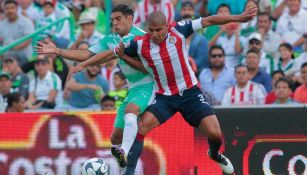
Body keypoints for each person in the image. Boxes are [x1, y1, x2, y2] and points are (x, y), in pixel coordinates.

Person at [74, 8, 258, 174]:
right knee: (141, 127)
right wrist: (84, 63)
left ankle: (215, 154)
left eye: (158, 30)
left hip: (190, 93)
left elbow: (209, 20)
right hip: (165, 97)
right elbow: (110, 53)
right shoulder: (140, 44)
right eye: (151, 30)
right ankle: (128, 172)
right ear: (147, 28)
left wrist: (239, 17)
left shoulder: (179, 29)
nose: (154, 34)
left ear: (166, 26)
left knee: (215, 134)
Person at [36, 5, 155, 174]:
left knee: (131, 113)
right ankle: (122, 168)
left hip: (150, 85)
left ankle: (126, 156)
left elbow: (149, 67)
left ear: (130, 18)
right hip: (133, 88)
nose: (114, 23)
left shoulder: (143, 38)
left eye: (118, 19)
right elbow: (87, 54)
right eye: (112, 20)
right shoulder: (111, 39)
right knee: (115, 137)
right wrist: (57, 51)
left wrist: (84, 65)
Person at [0, 0, 35, 66]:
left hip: (26, 59)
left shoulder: (26, 22)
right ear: (4, 10)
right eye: (7, 8)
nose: (10, 10)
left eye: (12, 8)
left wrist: (12, 48)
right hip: (8, 61)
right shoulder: (1, 25)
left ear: (17, 9)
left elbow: (28, 40)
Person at [180, 1, 209, 71]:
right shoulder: (175, 36)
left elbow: (200, 61)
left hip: (196, 73)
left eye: (189, 9)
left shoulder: (201, 39)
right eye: (184, 9)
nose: (187, 12)